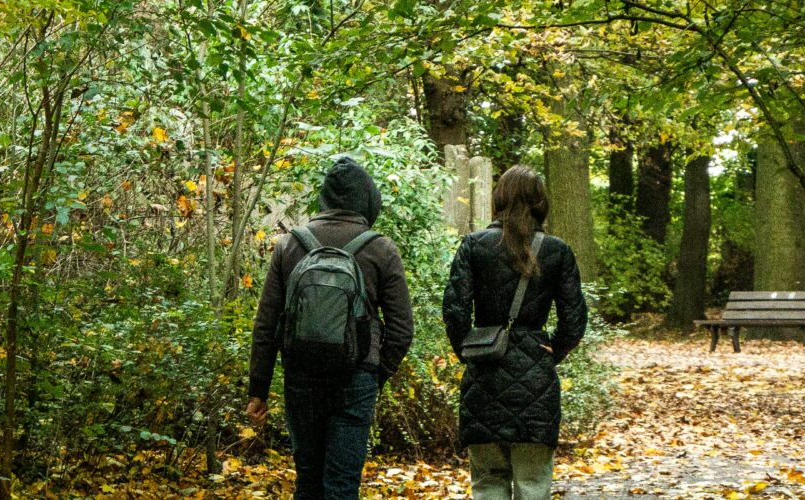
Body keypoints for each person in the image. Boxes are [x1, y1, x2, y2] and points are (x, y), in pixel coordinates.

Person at [245, 157, 415, 499]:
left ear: (324, 197)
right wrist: (374, 374)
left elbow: (266, 325)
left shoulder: (290, 245)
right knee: (342, 485)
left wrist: (258, 390)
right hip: (356, 378)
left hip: (301, 376)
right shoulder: (380, 248)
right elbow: (402, 328)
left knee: (308, 481)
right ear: (367, 199)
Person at [440, 166, 588, 500]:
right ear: (540, 202)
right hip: (537, 378)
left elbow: (454, 310)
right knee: (533, 484)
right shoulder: (557, 250)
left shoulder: (474, 245)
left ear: (499, 198)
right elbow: (575, 317)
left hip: (484, 375)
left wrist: (469, 350)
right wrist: (554, 350)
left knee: (488, 481)